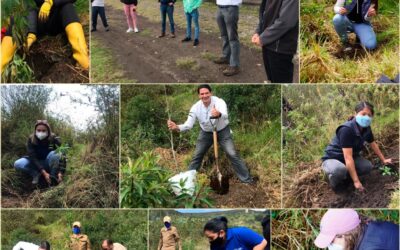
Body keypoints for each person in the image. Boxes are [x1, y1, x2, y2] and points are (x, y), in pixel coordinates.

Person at [167, 84, 253, 184]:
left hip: (222, 130)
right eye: (202, 94)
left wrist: (218, 114)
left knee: (232, 153)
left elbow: (225, 115)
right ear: (199, 96)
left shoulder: (219, 102)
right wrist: (177, 127)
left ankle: (247, 180)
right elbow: (188, 125)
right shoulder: (195, 108)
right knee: (197, 155)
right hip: (206, 133)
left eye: (206, 93)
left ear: (210, 93)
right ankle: (188, 183)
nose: (204, 96)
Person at [321, 102, 393, 192]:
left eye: (369, 115)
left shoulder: (367, 128)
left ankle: (347, 178)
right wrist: (356, 181)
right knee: (338, 170)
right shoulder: (346, 130)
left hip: (351, 157)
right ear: (355, 114)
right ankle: (336, 185)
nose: (366, 117)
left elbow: (373, 144)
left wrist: (383, 160)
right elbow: (348, 157)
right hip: (334, 158)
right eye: (363, 114)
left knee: (367, 167)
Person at [1, 0, 89, 73]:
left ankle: (82, 57)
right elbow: (27, 4)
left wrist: (50, 2)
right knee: (16, 19)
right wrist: (31, 32)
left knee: (68, 7)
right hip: (34, 21)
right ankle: (1, 63)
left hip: (56, 19)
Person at [252, 0, 298, 83]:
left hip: (280, 49)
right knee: (273, 80)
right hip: (267, 45)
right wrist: (258, 32)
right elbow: (264, 13)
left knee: (281, 81)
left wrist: (263, 38)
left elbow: (286, 22)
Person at [314, 209, 399, 250]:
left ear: (346, 235)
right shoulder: (368, 227)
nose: (329, 247)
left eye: (331, 241)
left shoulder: (371, 247)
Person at [14, 120, 64, 185]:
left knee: (55, 153)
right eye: (38, 130)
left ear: (48, 131)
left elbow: (63, 154)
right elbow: (32, 157)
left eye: (43, 131)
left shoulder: (53, 139)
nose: (41, 132)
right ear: (35, 131)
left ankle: (53, 177)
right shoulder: (31, 139)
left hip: (48, 163)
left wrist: (60, 172)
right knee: (17, 164)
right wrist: (44, 172)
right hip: (35, 163)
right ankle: (35, 174)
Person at [213, 0, 242, 76]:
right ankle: (226, 56)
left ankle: (235, 65)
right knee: (224, 35)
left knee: (232, 38)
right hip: (219, 6)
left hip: (231, 7)